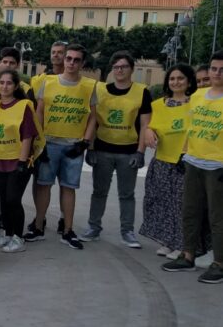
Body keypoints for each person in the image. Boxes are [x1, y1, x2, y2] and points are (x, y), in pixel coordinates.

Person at [24, 43, 96, 250]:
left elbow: (93, 117)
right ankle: (38, 226)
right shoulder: (48, 82)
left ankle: (68, 230)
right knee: (43, 185)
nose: (71, 62)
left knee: (69, 187)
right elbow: (39, 112)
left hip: (73, 144)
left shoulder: (89, 86)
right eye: (69, 58)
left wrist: (85, 142)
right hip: (50, 142)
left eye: (76, 59)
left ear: (82, 63)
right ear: (64, 60)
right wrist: (39, 142)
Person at [80, 51, 152, 248]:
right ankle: (94, 227)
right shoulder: (100, 90)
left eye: (124, 67)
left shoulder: (142, 91)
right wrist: (91, 149)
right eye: (116, 67)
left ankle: (127, 231)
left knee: (127, 194)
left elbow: (145, 125)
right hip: (103, 150)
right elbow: (92, 121)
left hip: (128, 152)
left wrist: (140, 152)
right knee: (99, 192)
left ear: (131, 69)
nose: (119, 70)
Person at [162, 51, 223, 284]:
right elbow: (191, 127)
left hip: (218, 165)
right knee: (190, 211)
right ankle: (187, 255)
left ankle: (219, 263)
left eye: (222, 70)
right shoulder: (197, 96)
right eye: (214, 68)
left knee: (217, 217)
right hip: (194, 161)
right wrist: (184, 154)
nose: (217, 73)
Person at [141, 64, 205, 259]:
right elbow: (150, 126)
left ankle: (183, 245)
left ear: (189, 82)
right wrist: (149, 131)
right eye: (172, 79)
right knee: (162, 203)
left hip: (184, 162)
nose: (176, 82)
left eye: (180, 78)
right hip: (162, 161)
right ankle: (167, 242)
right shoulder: (158, 104)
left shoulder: (197, 103)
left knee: (182, 205)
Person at [0, 69, 41, 253]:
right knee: (4, 198)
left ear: (16, 86)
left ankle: (18, 238)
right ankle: (8, 234)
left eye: (9, 83)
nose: (4, 86)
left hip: (18, 160)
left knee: (13, 199)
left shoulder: (23, 105)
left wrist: (22, 161)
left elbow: (28, 136)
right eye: (1, 82)